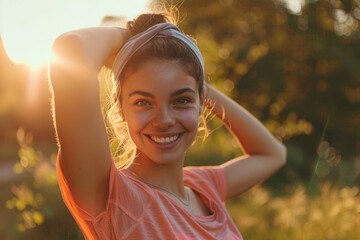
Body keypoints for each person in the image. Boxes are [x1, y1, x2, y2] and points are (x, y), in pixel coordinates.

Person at [49, 12, 286, 240]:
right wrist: (132, 37)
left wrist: (197, 81)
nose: (164, 121)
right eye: (143, 102)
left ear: (201, 102)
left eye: (181, 100)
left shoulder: (204, 188)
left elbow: (274, 154)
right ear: (121, 109)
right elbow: (71, 50)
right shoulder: (113, 198)